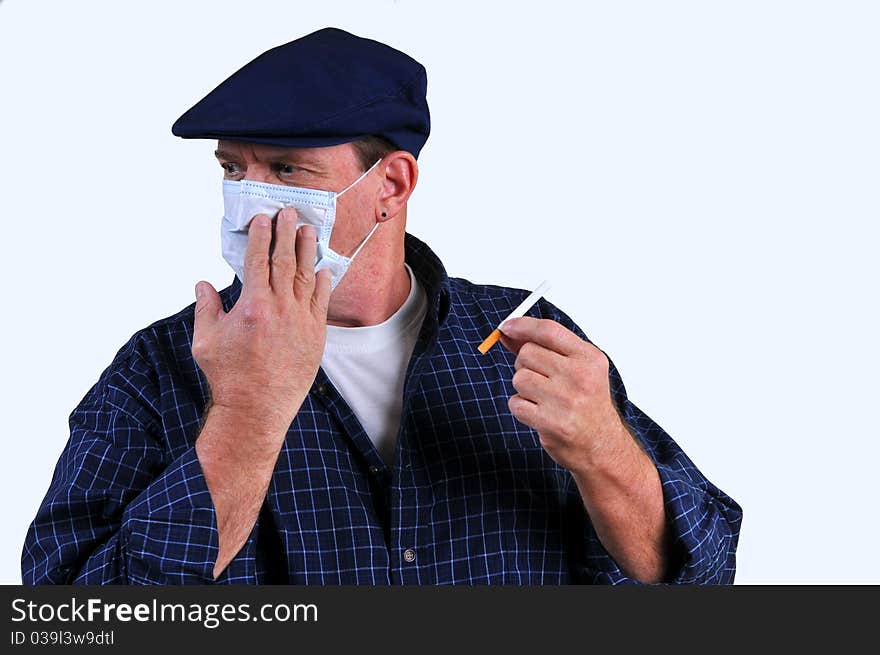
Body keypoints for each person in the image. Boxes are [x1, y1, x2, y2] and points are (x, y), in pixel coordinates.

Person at [22, 27, 742, 585]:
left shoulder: (525, 342)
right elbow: (70, 621)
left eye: (286, 169)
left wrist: (607, 454)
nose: (248, 199)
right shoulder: (158, 371)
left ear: (392, 185)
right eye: (232, 168)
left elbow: (700, 575)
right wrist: (246, 415)